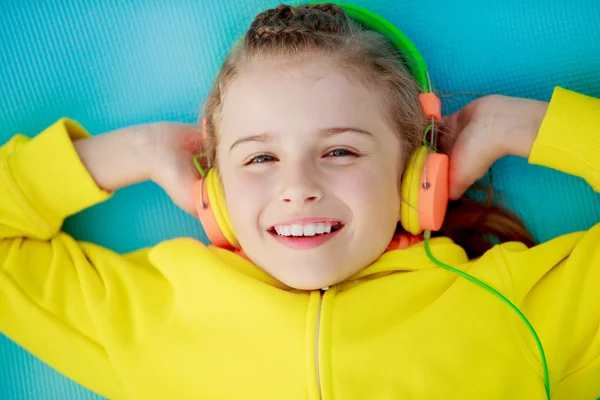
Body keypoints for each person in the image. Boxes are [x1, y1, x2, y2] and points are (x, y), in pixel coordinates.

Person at [0, 3, 598, 400]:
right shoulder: (147, 313)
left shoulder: (517, 311)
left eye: (340, 151)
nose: (298, 186)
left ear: (415, 171)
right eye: (259, 158)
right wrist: (135, 150)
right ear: (213, 190)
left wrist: (518, 124)